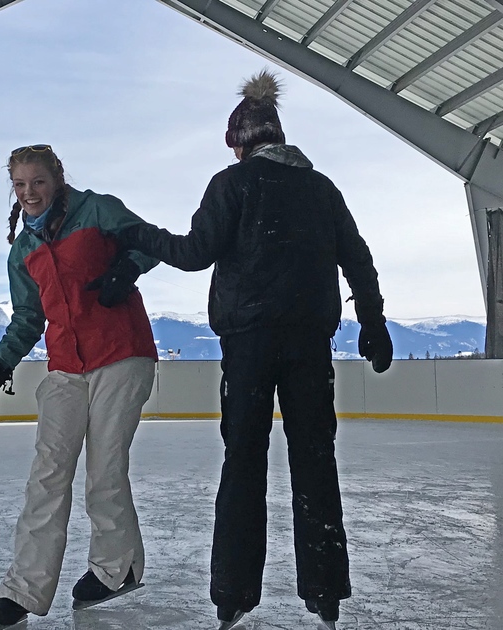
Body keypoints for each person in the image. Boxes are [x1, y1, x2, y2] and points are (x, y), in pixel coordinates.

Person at [118, 70, 393, 629]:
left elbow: (196, 252)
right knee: (314, 457)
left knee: (243, 460)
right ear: (281, 136)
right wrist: (372, 321)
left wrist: (137, 235)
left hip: (247, 345)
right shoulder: (321, 189)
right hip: (310, 346)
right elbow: (358, 258)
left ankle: (233, 593)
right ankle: (325, 590)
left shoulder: (233, 184)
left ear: (238, 142)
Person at [0, 144, 159, 628]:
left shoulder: (98, 209)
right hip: (66, 366)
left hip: (121, 353)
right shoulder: (23, 250)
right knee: (47, 474)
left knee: (105, 469)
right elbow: (29, 318)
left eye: (38, 182)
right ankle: (23, 589)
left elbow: (151, 242)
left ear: (57, 179)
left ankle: (118, 569)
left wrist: (126, 268)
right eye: (20, 184)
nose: (29, 192)